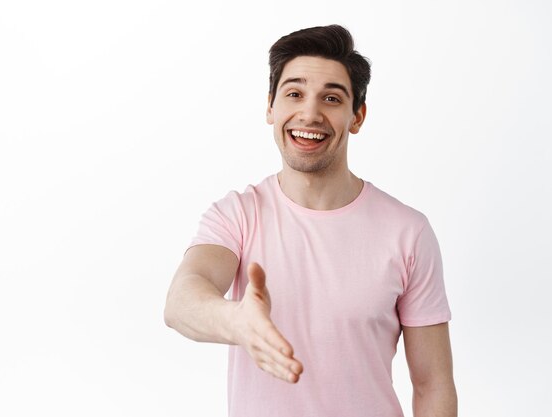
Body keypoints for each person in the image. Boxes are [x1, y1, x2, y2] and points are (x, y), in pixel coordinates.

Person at [164, 24, 457, 417]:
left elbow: (432, 384)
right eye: (294, 94)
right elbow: (182, 300)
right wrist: (236, 320)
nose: (310, 113)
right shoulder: (237, 214)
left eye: (332, 98)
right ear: (271, 107)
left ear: (357, 116)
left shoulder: (409, 232)